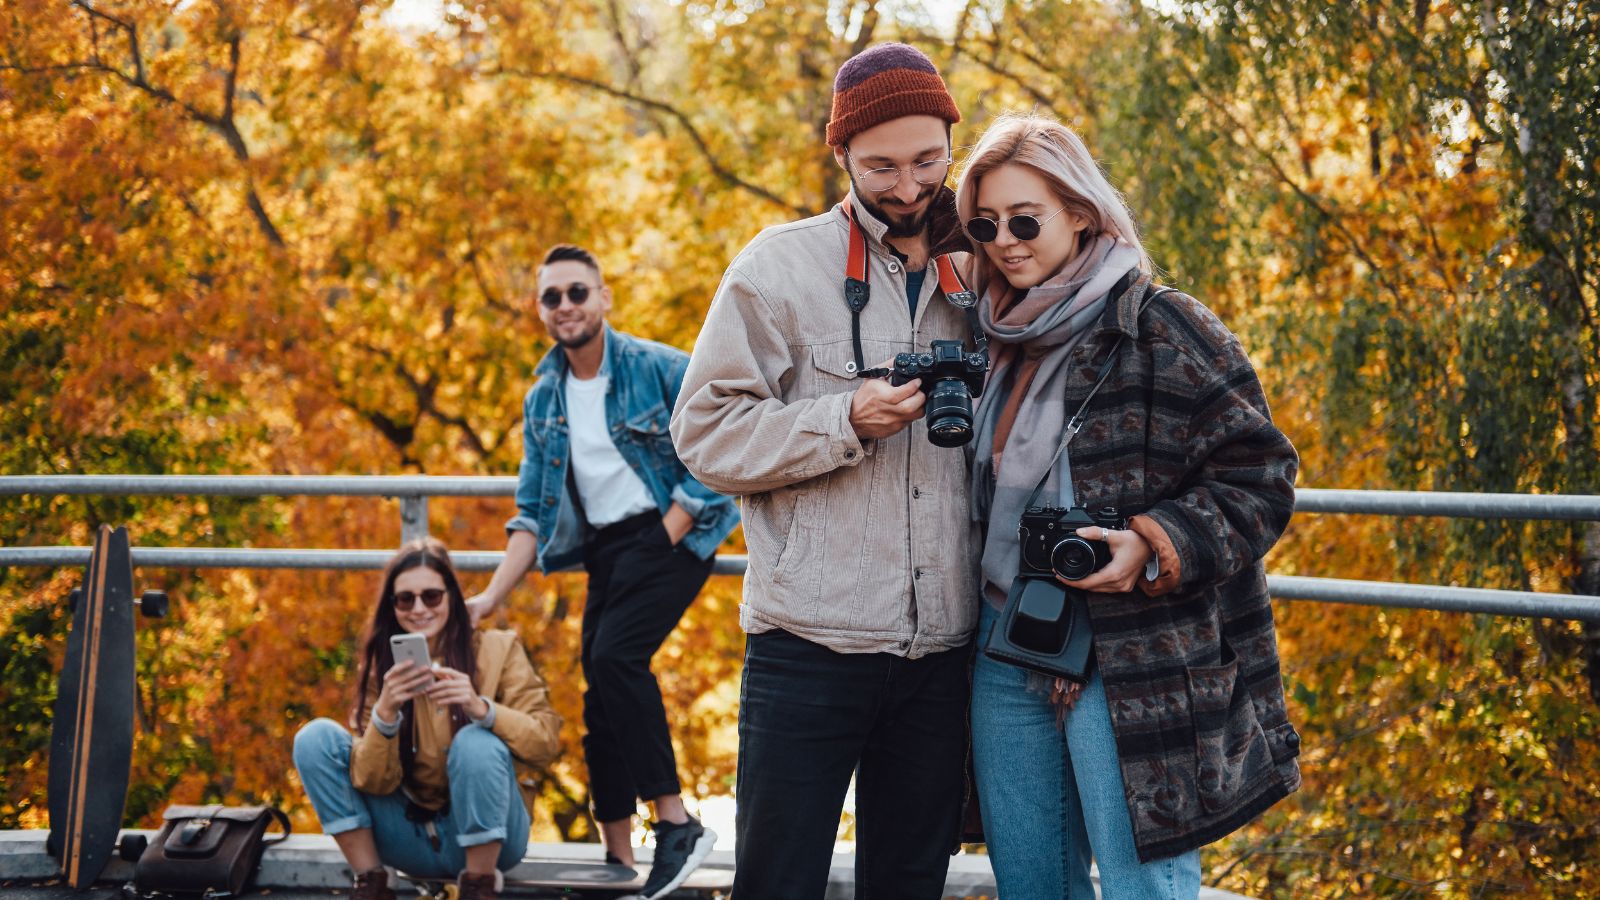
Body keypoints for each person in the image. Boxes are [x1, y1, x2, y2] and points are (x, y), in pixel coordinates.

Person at [953, 112, 1303, 898]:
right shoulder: (985, 340)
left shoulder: (1161, 326)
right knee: (1033, 884)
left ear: (1081, 212)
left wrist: (1152, 543)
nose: (1003, 240)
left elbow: (1263, 476)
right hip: (1007, 642)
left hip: (1133, 652)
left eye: (1024, 218)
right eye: (984, 223)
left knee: (1146, 886)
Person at [671, 42, 979, 900]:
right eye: (880, 165)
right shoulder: (776, 269)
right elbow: (702, 433)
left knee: (911, 886)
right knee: (776, 884)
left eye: (928, 160)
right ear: (839, 156)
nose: (909, 186)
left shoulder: (992, 267)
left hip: (944, 649)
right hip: (807, 646)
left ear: (953, 142)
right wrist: (843, 418)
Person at [465, 244, 739, 900]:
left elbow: (722, 436)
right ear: (540, 310)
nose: (565, 306)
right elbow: (531, 514)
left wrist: (670, 529)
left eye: (577, 293)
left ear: (603, 298)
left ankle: (675, 822)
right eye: (552, 297)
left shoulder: (655, 366)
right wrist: (489, 598)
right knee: (599, 696)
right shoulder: (544, 400)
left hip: (672, 536)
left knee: (616, 659)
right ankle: (620, 856)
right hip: (605, 551)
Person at [292, 538, 562, 900]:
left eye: (431, 596)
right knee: (314, 738)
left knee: (476, 741)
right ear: (394, 606)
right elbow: (372, 781)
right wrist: (385, 717)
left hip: (492, 839)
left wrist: (482, 709)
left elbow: (545, 743)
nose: (419, 608)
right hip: (408, 834)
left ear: (451, 596)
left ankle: (478, 888)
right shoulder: (384, 666)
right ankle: (372, 883)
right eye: (405, 599)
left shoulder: (499, 649)